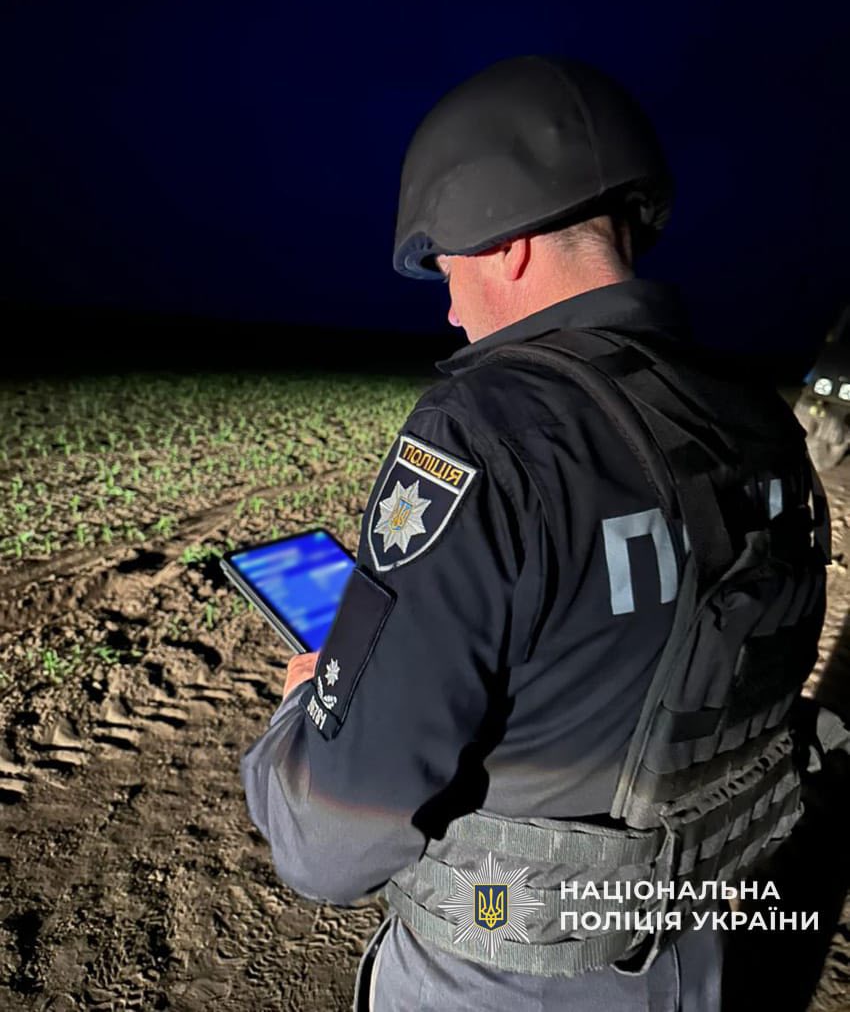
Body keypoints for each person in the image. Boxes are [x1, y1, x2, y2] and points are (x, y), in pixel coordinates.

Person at [240, 55, 834, 1011]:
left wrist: (305, 714)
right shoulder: (756, 421)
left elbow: (328, 843)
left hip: (502, 978)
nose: (448, 307)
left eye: (447, 270)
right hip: (708, 961)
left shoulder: (484, 434)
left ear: (506, 243)